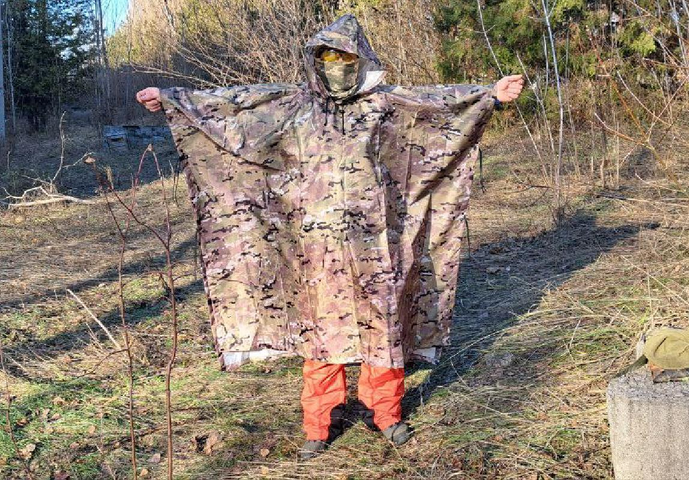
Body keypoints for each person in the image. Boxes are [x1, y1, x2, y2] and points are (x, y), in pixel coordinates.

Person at [137, 14, 523, 460]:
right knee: (322, 337)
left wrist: (491, 95)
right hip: (314, 249)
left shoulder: (387, 105)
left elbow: (439, 106)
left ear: (360, 60)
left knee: (382, 331)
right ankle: (318, 425)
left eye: (344, 56)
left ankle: (387, 414)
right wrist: (172, 99)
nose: (336, 64)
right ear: (314, 61)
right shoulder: (293, 106)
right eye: (327, 56)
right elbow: (235, 108)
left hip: (378, 247)